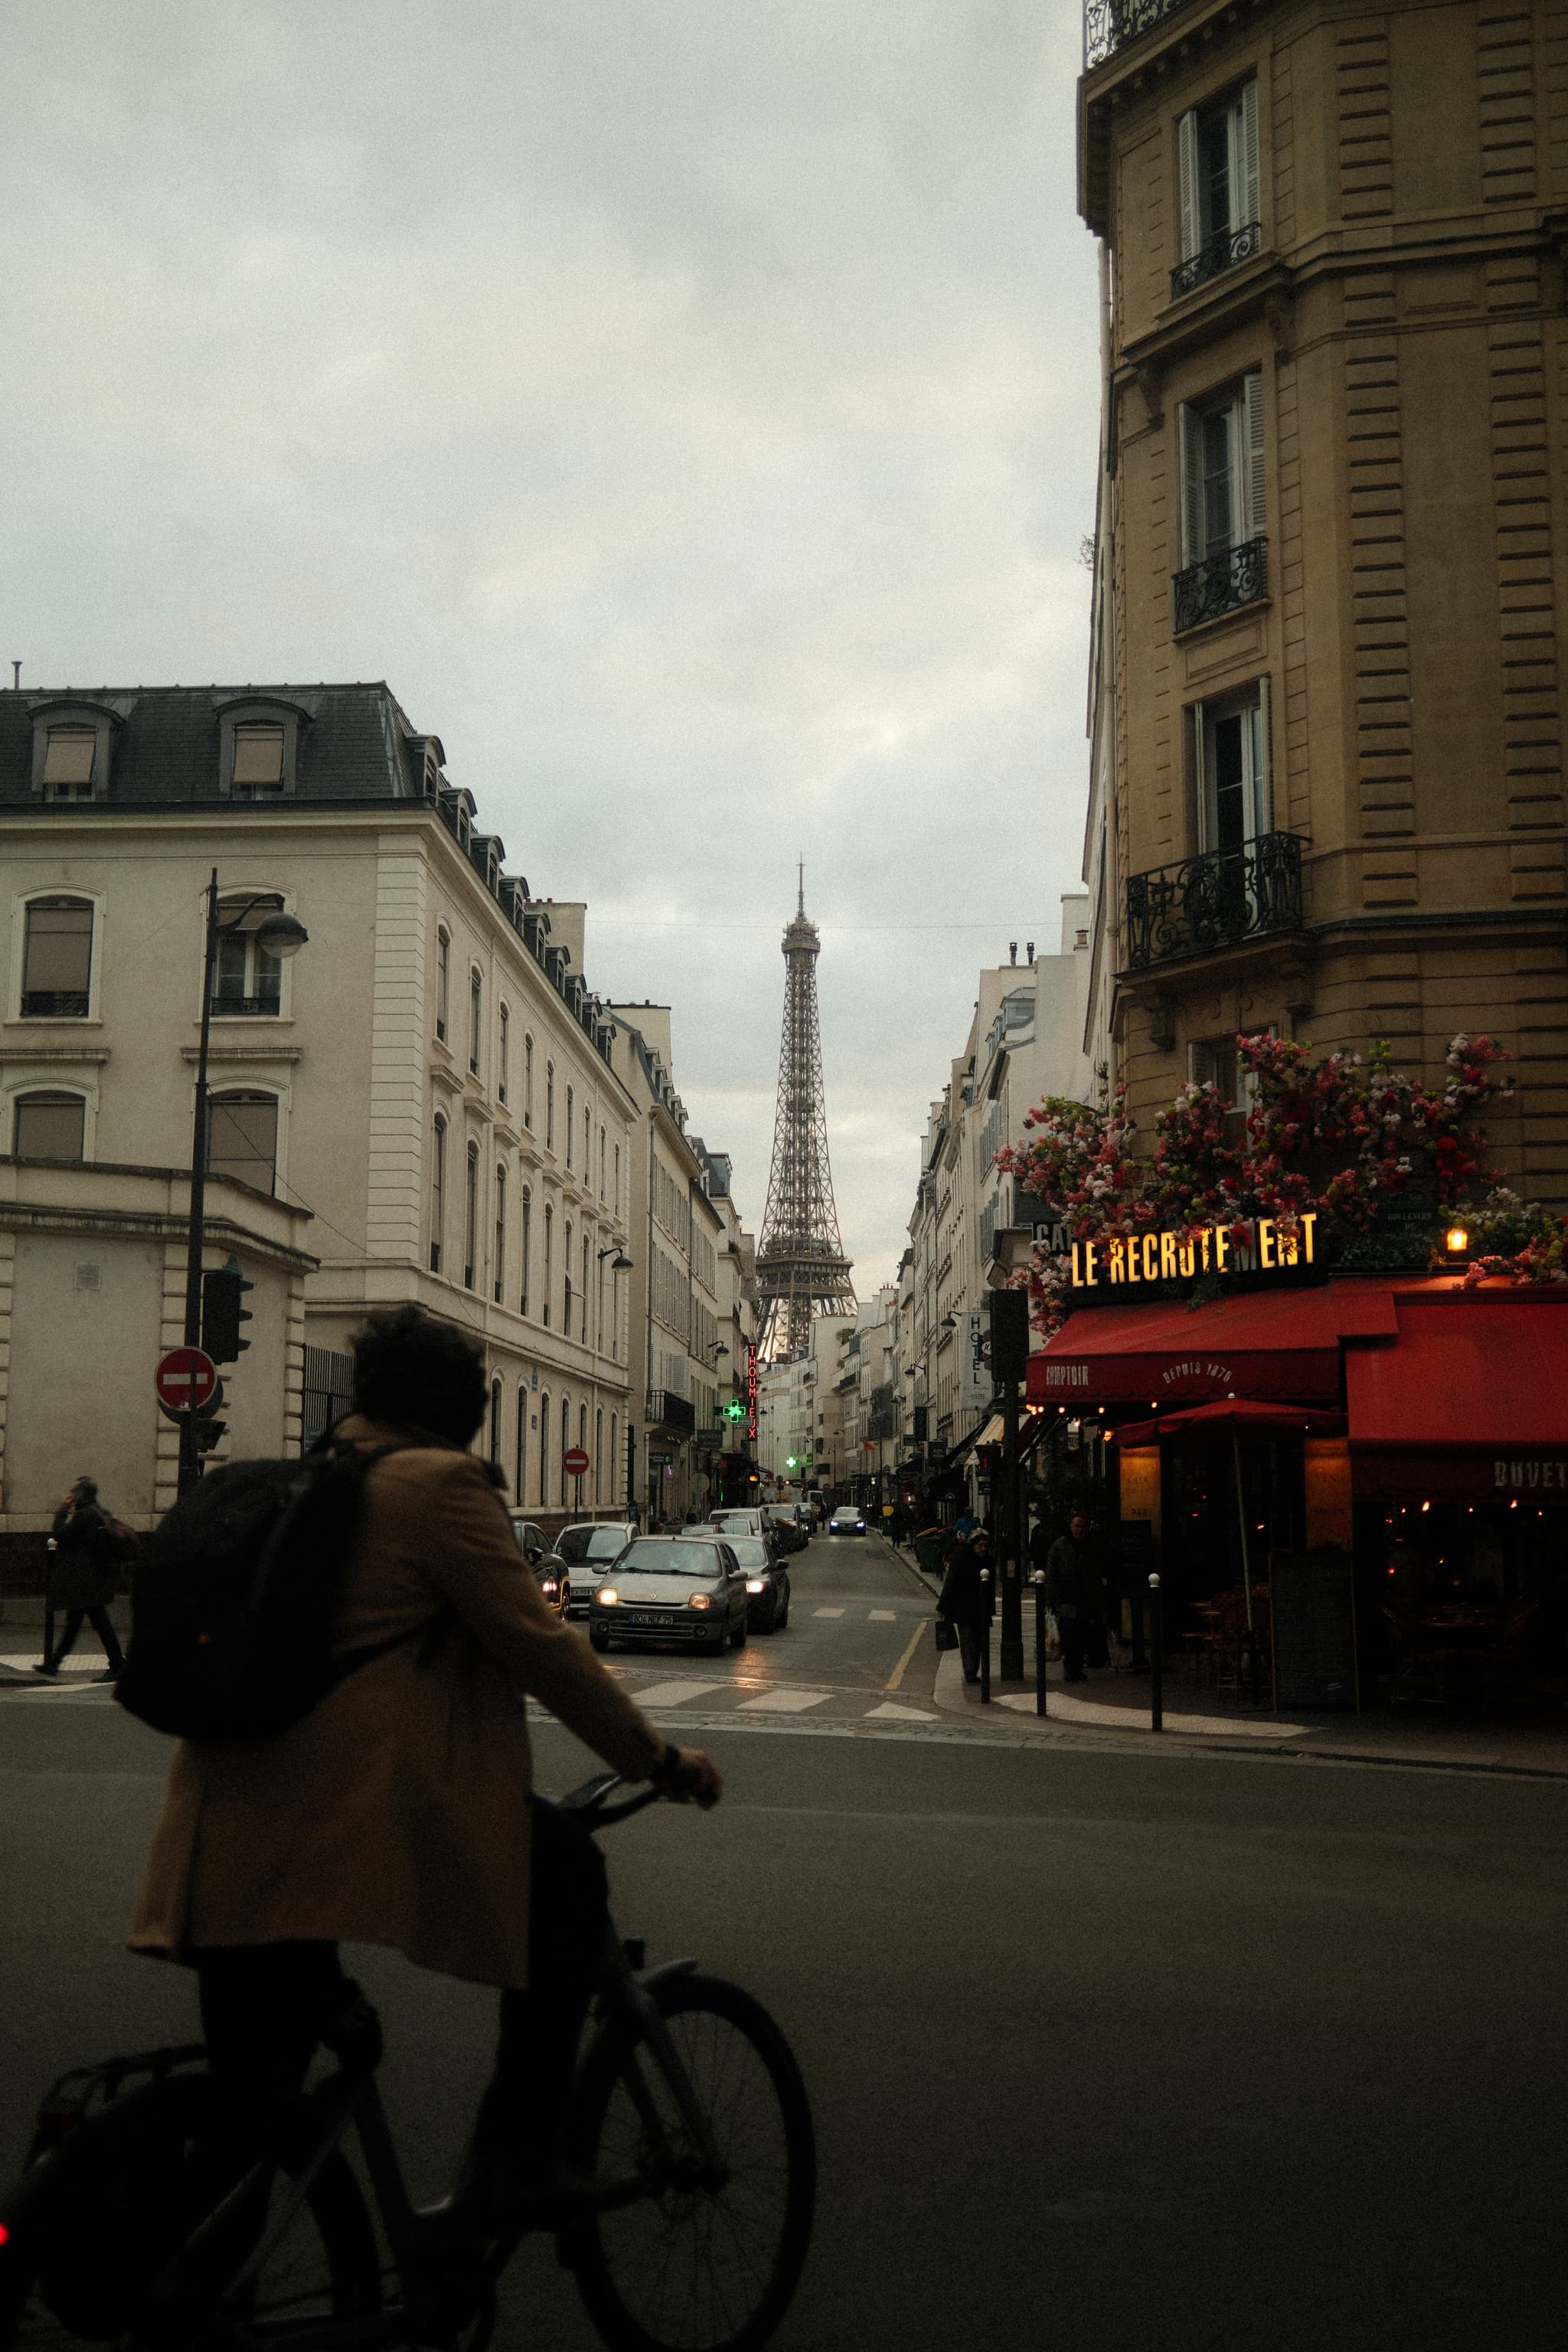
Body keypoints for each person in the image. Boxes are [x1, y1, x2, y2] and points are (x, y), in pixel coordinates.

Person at [128, 1305, 720, 2226]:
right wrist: (658, 1758)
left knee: (246, 2129)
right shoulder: (437, 1486)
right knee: (567, 1874)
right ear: (464, 1409)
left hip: (222, 1822)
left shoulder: (310, 1478)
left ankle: (161, 2270)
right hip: (336, 1820)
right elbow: (542, 1650)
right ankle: (526, 2156)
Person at [38, 1475, 126, 1681]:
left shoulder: (84, 1516)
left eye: (74, 1491)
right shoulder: (99, 1512)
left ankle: (117, 1665)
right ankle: (54, 1664)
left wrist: (62, 1510)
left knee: (96, 1624)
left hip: (85, 1580)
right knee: (78, 1623)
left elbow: (60, 1534)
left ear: (81, 1494)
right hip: (94, 1578)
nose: (71, 1495)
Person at [1045, 1511, 1102, 1683]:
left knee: (1082, 1634)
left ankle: (1076, 1668)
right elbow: (1051, 1573)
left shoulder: (1090, 1546)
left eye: (1082, 1527)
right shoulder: (1060, 1545)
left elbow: (1095, 1573)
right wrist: (1050, 1600)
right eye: (1077, 1526)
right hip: (1066, 1597)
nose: (1080, 1530)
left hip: (1084, 1598)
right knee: (1069, 1634)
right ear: (1071, 1527)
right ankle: (1070, 1669)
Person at [937, 1528, 994, 1684]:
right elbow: (951, 1581)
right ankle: (970, 1672)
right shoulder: (962, 1558)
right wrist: (942, 1606)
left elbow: (990, 1589)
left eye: (985, 1545)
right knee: (968, 1641)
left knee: (979, 1642)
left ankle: (973, 1670)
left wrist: (990, 1609)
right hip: (965, 1608)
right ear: (974, 1545)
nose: (983, 1549)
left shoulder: (988, 1561)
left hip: (981, 1610)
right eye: (980, 1545)